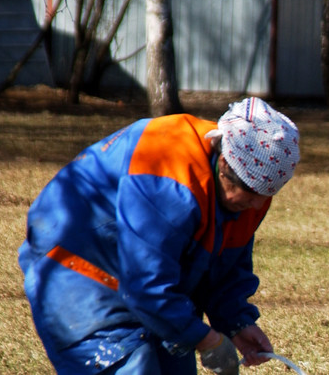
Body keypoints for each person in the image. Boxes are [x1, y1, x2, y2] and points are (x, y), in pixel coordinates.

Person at [18, 97, 301, 374]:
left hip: (145, 281)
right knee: (130, 364)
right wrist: (207, 339)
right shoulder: (167, 177)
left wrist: (236, 322)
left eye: (266, 195)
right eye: (250, 192)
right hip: (76, 262)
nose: (256, 206)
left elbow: (223, 265)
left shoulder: (252, 193)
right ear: (225, 163)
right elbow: (145, 285)